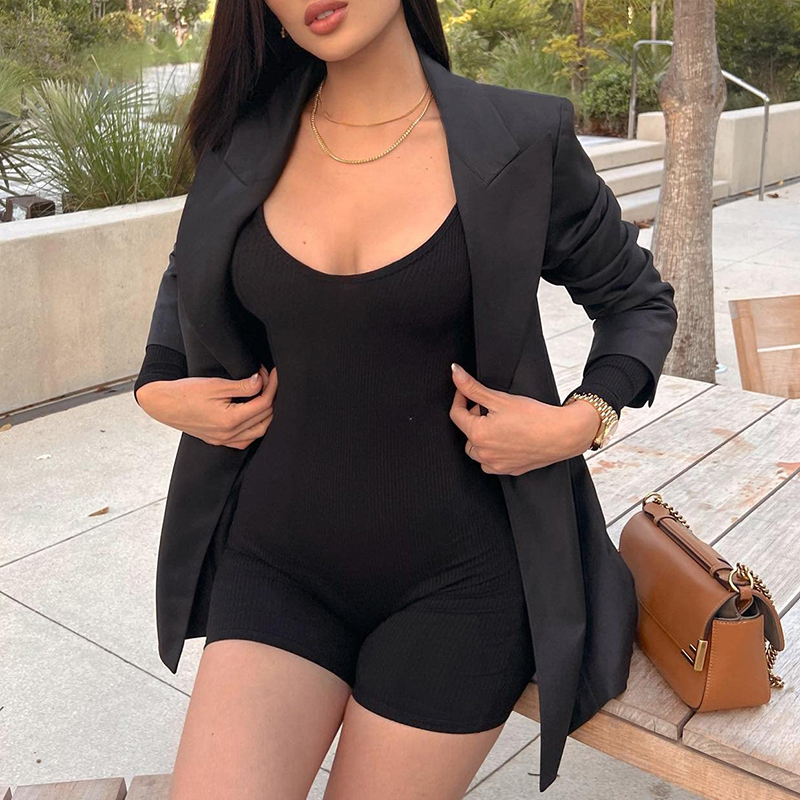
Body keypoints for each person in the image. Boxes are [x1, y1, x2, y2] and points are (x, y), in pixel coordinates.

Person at [133, 1, 677, 797]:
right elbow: (189, 272)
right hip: (277, 565)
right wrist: (157, 387)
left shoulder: (521, 138)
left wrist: (579, 421)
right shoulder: (240, 141)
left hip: (463, 587)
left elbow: (637, 300)